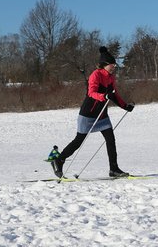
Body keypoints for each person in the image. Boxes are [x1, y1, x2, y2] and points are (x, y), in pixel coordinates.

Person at [51, 46, 134, 178]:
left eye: (114, 65)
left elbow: (114, 94)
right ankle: (59, 160)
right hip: (88, 113)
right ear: (105, 65)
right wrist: (104, 96)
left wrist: (125, 106)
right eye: (112, 65)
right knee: (79, 140)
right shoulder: (96, 75)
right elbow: (91, 93)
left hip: (102, 115)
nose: (114, 67)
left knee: (110, 139)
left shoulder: (111, 77)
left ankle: (114, 169)